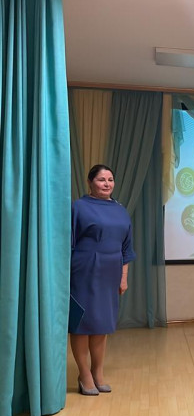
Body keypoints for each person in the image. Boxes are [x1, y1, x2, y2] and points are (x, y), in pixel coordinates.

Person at [69, 164, 136, 396]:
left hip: (110, 273)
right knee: (81, 324)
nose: (107, 184)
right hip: (84, 271)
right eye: (101, 179)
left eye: (110, 179)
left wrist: (123, 277)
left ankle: (98, 372)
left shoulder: (120, 210)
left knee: (102, 324)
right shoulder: (79, 207)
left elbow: (127, 248)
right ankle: (84, 374)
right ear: (90, 182)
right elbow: (68, 242)